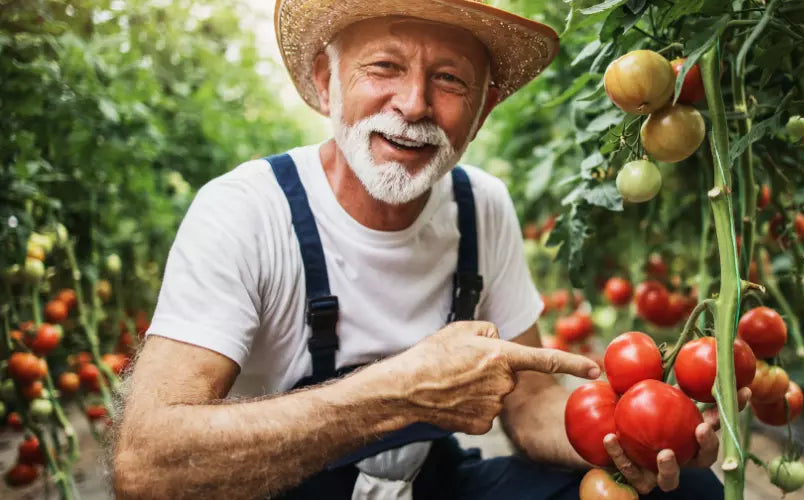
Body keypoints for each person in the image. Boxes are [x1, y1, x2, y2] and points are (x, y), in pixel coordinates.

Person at [111, 1, 748, 498]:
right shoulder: (247, 210)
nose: (414, 105)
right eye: (383, 67)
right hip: (276, 492)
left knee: (687, 491)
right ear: (326, 82)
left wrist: (634, 435)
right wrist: (398, 393)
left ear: (483, 110)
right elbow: (146, 465)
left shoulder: (480, 206)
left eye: (449, 80)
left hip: (429, 485)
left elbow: (528, 408)